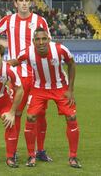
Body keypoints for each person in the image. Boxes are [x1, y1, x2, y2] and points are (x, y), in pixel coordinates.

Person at [0, 0, 52, 161]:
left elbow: (48, 43)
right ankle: (14, 150)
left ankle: (40, 151)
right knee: (15, 113)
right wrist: (6, 44)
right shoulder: (8, 20)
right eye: (21, 0)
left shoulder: (40, 21)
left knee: (40, 114)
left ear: (30, 3)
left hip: (38, 76)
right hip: (17, 76)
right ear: (15, 4)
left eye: (27, 0)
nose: (24, 3)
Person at [9, 27, 81, 168]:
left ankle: (73, 157)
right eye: (37, 39)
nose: (41, 42)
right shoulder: (27, 52)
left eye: (43, 39)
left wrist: (71, 90)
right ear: (33, 41)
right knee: (30, 118)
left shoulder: (59, 49)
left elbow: (71, 64)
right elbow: (14, 62)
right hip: (39, 88)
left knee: (72, 118)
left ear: (48, 39)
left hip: (59, 87)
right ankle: (31, 156)